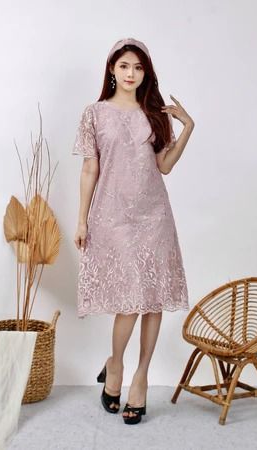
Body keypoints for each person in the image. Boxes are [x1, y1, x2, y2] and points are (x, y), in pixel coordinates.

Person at [72, 37, 195, 425]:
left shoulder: (154, 113)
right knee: (129, 300)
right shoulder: (95, 114)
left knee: (152, 298)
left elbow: (164, 166)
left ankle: (141, 377)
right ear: (112, 69)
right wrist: (81, 219)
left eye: (138, 68)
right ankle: (116, 365)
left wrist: (188, 127)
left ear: (146, 73)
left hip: (154, 216)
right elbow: (90, 169)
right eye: (124, 66)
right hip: (113, 217)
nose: (131, 73)